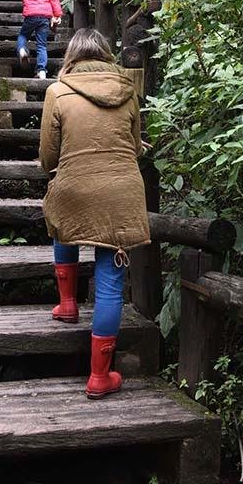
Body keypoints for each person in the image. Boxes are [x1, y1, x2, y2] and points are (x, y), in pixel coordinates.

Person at [39, 28, 150, 398]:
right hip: (122, 192)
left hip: (74, 188)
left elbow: (48, 159)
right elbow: (134, 147)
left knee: (61, 215)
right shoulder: (127, 91)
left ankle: (67, 303)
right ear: (106, 55)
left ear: (71, 57)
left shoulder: (57, 91)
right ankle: (100, 376)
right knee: (110, 280)